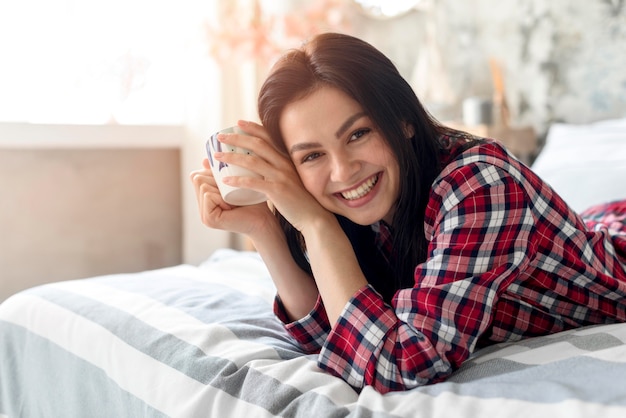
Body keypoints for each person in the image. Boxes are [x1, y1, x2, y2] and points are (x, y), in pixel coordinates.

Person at [190, 32, 626, 393]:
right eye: (311, 156)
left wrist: (317, 225)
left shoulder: (481, 186)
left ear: (403, 120)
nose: (343, 171)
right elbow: (336, 334)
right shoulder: (374, 209)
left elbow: (403, 363)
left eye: (358, 133)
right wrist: (264, 227)